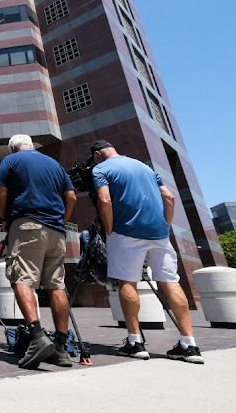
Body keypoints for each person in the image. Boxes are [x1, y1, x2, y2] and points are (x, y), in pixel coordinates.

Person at [90, 140, 204, 364]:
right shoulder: (146, 168)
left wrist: (110, 229)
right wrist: (165, 225)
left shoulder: (100, 169)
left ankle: (135, 342)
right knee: (170, 282)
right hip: (159, 234)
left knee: (127, 283)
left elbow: (104, 199)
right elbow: (169, 197)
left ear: (97, 154)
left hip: (126, 232)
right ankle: (189, 343)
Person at [0, 134, 76, 369]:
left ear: (13, 148)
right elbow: (70, 196)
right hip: (56, 231)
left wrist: (4, 218)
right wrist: (62, 219)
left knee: (22, 279)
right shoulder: (55, 164)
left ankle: (38, 336)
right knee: (56, 285)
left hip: (28, 224)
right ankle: (61, 348)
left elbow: (1, 192)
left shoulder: (11, 161)